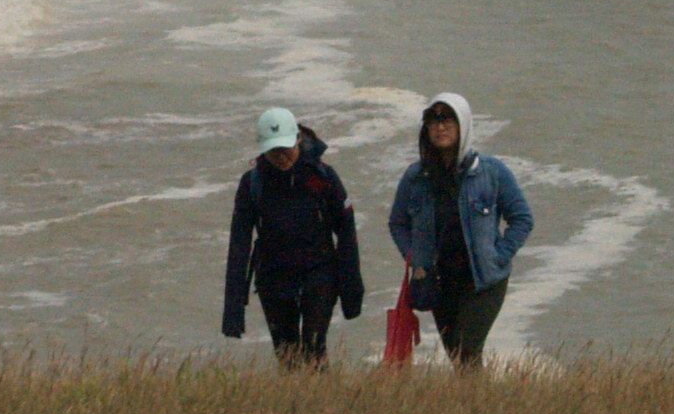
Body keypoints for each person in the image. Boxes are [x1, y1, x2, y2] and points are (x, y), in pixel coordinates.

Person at [387, 92, 533, 369]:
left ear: (463, 124)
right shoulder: (416, 177)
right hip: (440, 282)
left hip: (483, 281)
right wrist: (414, 258)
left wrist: (499, 255)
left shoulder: (491, 171)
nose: (440, 127)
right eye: (433, 120)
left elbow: (522, 219)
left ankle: (477, 396)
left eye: (448, 119)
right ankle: (477, 397)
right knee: (459, 358)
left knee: (466, 351)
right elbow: (398, 223)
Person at [222, 106, 364, 367]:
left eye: (286, 148)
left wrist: (352, 290)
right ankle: (295, 393)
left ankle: (321, 393)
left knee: (314, 348)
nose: (281, 156)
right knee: (287, 356)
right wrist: (233, 308)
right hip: (273, 279)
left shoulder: (323, 177)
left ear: (298, 139)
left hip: (320, 274)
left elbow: (346, 231)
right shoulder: (252, 183)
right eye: (273, 150)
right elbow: (239, 245)